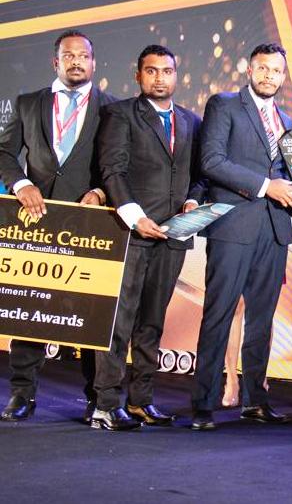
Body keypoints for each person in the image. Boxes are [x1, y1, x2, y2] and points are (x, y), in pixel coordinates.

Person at [0, 30, 115, 423]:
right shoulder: (28, 103)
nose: (76, 61)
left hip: (91, 221)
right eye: (69, 55)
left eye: (83, 55)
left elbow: (118, 162)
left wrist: (100, 192)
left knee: (91, 312)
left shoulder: (112, 108)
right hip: (37, 218)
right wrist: (21, 184)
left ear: (94, 63)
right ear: (56, 62)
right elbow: (4, 153)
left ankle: (95, 396)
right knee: (32, 308)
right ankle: (22, 393)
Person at [191, 43, 292, 431]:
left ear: (284, 76)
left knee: (262, 320)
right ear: (249, 70)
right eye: (263, 68)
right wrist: (267, 186)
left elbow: (291, 177)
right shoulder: (224, 105)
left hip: (275, 229)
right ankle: (204, 404)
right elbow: (212, 161)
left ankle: (255, 399)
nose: (270, 75)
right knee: (219, 313)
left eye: (277, 70)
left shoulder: (289, 122)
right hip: (233, 226)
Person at [92, 45, 204, 431]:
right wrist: (135, 217)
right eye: (151, 71)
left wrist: (193, 201)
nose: (159, 78)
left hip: (173, 237)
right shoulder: (121, 114)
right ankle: (106, 404)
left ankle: (140, 401)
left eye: (166, 71)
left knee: (152, 322)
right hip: (131, 233)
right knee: (118, 322)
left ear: (176, 75)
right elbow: (113, 170)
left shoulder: (191, 121)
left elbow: (200, 176)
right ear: (138, 75)